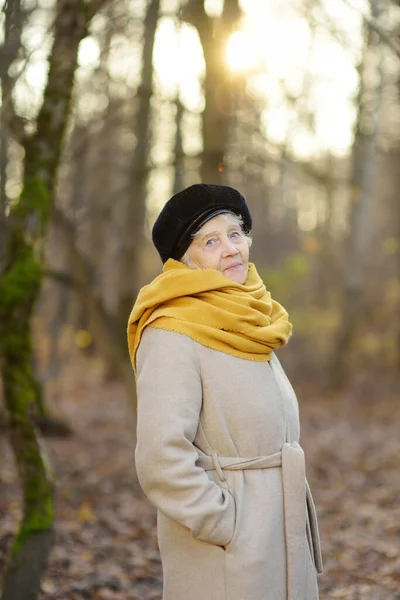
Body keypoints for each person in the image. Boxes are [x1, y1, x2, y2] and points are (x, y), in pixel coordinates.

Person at [127, 184, 323, 600]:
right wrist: (227, 525)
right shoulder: (172, 331)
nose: (231, 249)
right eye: (210, 241)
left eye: (235, 234)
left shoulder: (249, 316)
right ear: (184, 260)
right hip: (227, 551)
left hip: (280, 531)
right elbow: (161, 459)